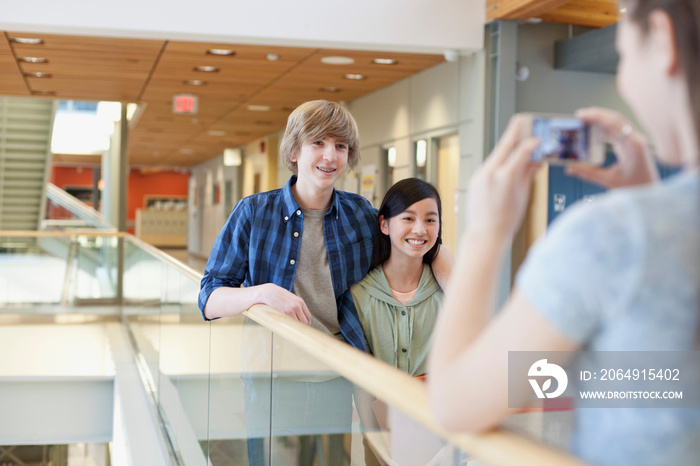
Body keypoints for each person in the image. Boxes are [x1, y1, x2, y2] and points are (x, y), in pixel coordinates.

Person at [428, 1, 700, 465]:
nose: (624, 81)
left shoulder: (614, 234)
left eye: (624, 54)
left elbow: (456, 401)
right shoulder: (642, 231)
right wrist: (650, 201)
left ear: (660, 39)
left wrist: (485, 233)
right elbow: (671, 381)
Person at [351, 177, 444, 377]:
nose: (420, 230)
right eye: (408, 218)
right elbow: (361, 378)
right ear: (384, 225)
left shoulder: (446, 292)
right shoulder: (359, 295)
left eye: (430, 220)